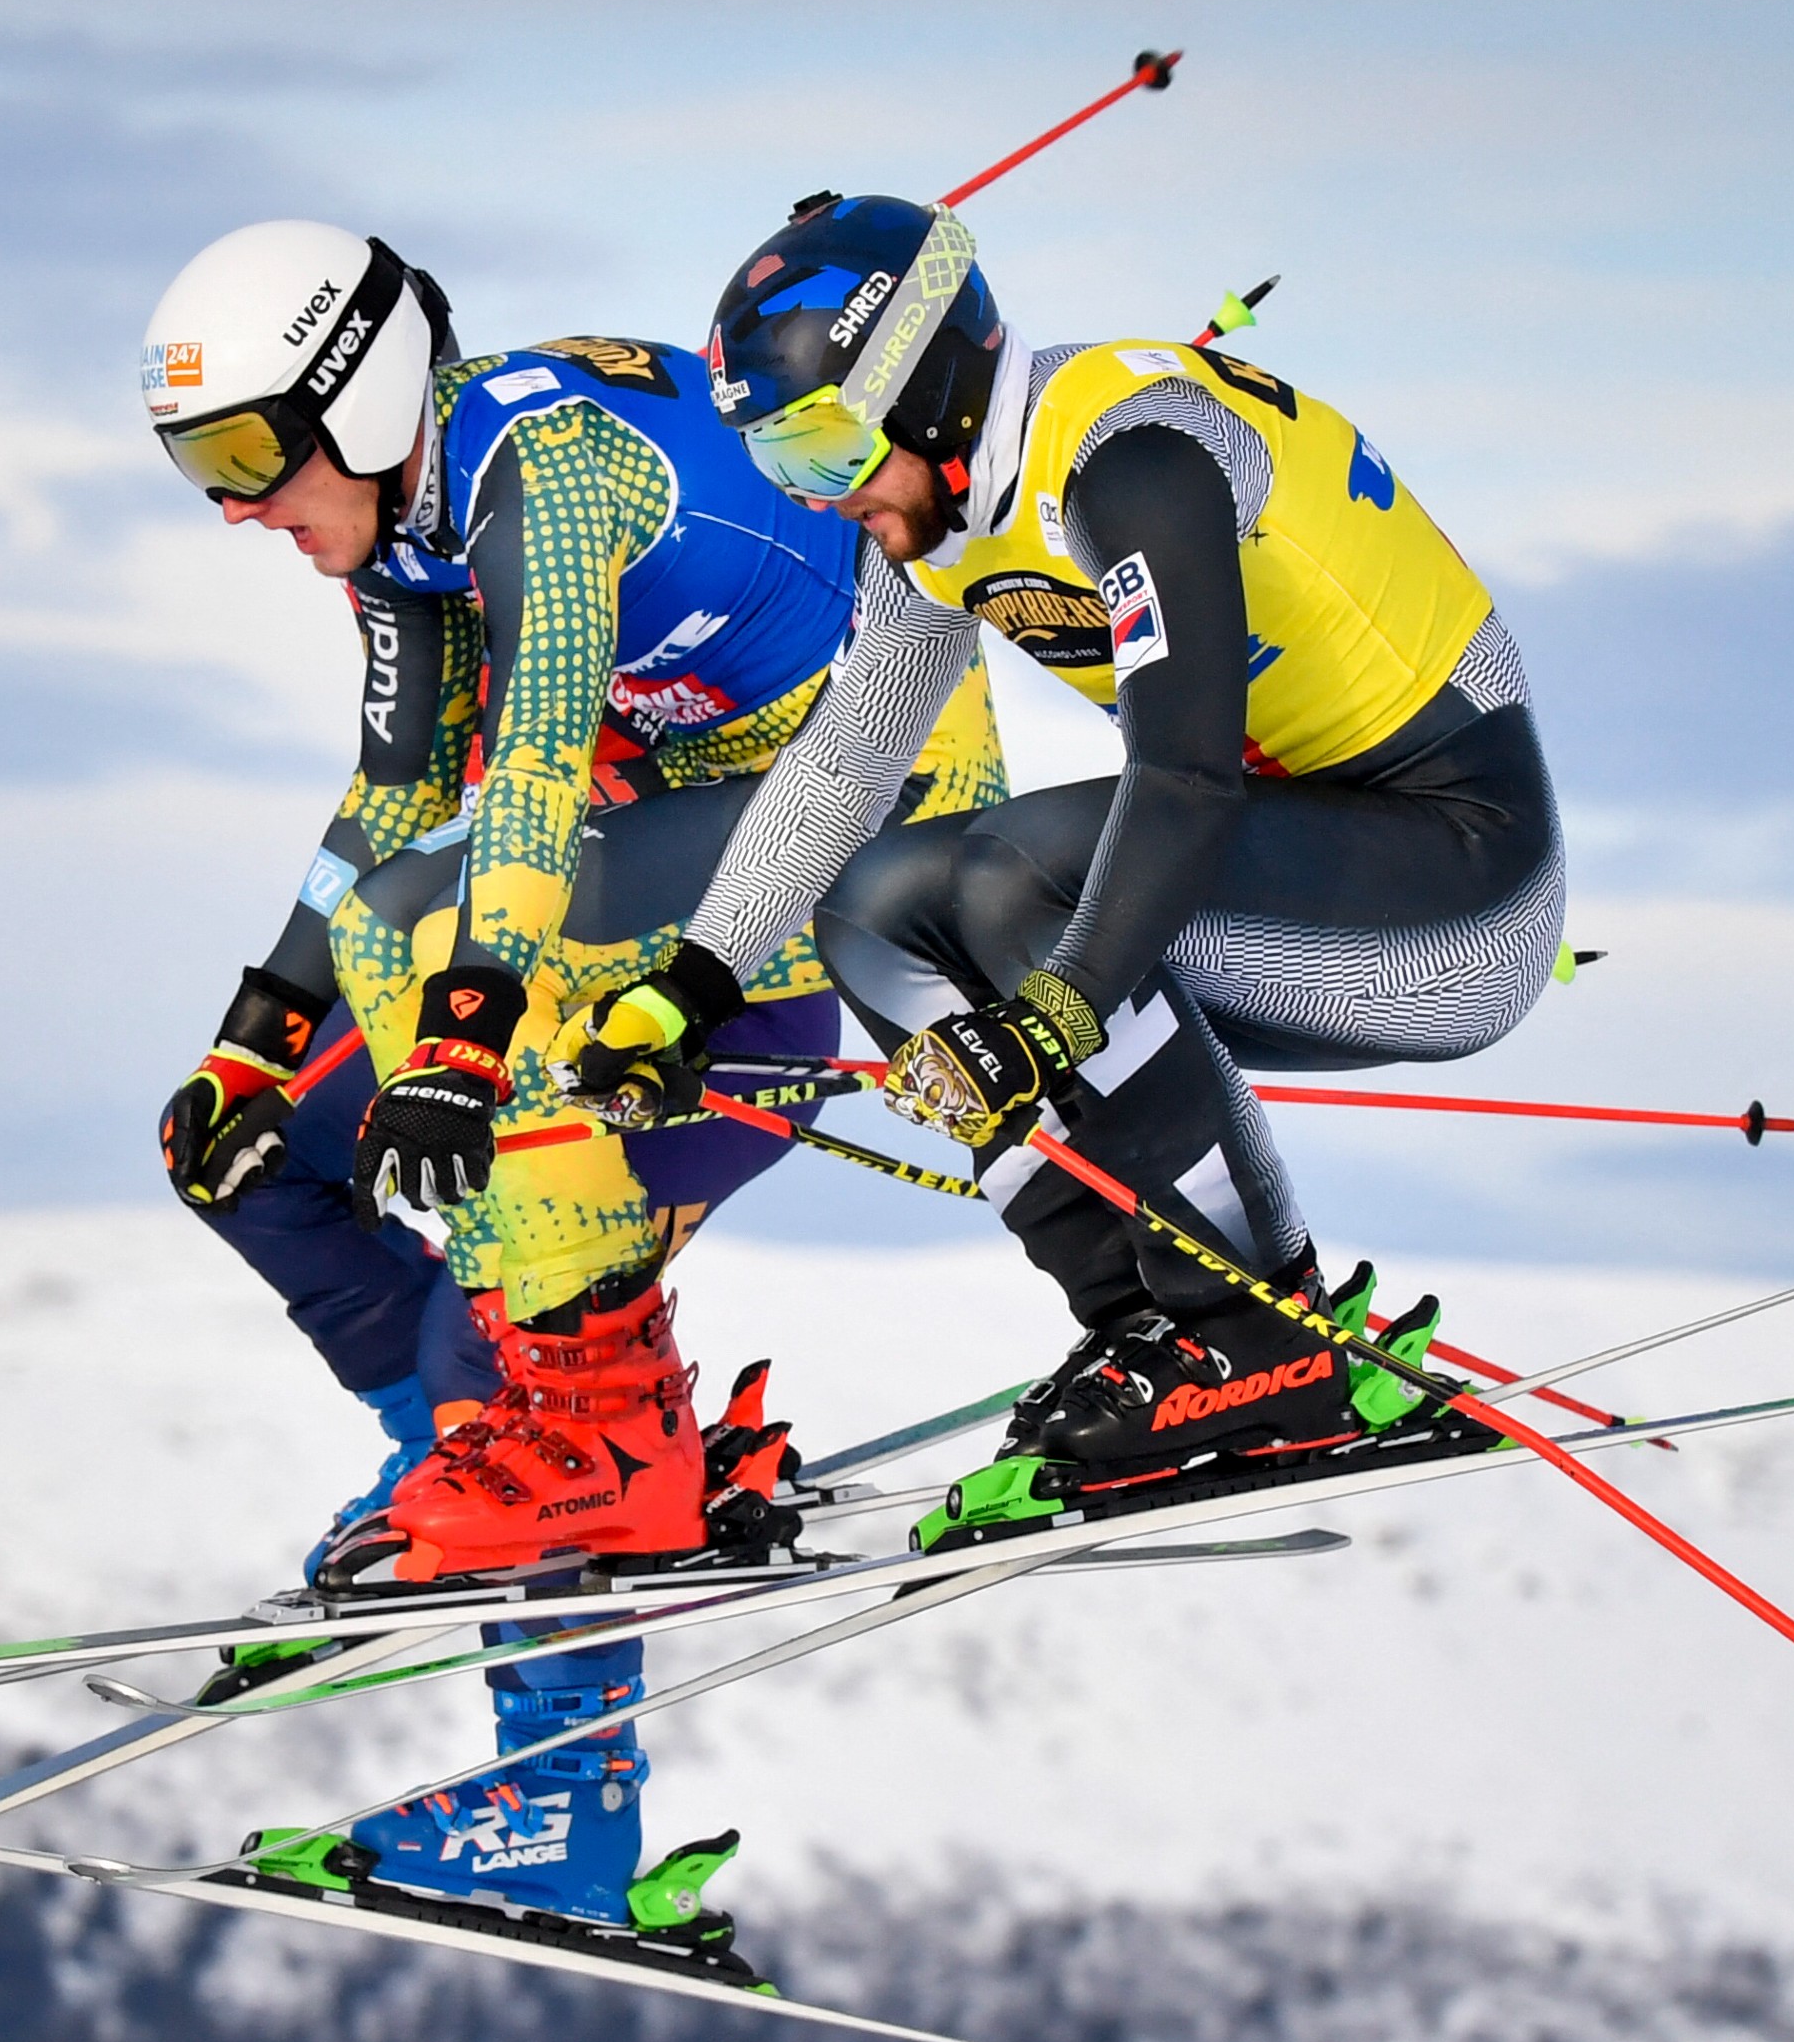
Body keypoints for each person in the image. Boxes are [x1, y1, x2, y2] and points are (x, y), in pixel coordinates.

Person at [137, 220, 1003, 1933]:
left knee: (506, 1294)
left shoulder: (545, 469)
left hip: (820, 903)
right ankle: (460, 1446)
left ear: (362, 396)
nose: (236, 507)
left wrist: (458, 1039)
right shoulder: (419, 526)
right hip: (651, 898)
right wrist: (255, 1036)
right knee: (257, 1155)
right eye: (195, 467)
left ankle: (565, 1803)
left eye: (249, 452)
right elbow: (395, 798)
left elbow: (528, 777)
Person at [575, 192, 1563, 1480]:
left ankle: (1259, 1331)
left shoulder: (1131, 457)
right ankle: (1153, 1326)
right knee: (873, 910)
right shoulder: (940, 515)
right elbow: (855, 752)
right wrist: (690, 985)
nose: (814, 500)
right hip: (1313, 874)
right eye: (776, 468)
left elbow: (1188, 781)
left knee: (1011, 880)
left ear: (924, 388)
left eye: (821, 452)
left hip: (1459, 891)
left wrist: (1053, 1014)